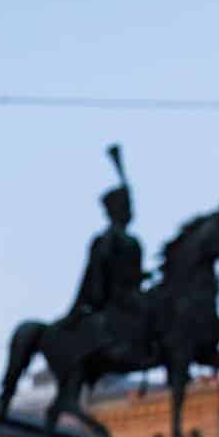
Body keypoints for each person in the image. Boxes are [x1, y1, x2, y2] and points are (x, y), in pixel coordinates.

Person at [62, 144, 147, 339]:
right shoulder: (106, 240)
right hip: (114, 301)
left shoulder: (131, 241)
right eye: (126, 206)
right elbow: (99, 276)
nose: (130, 210)